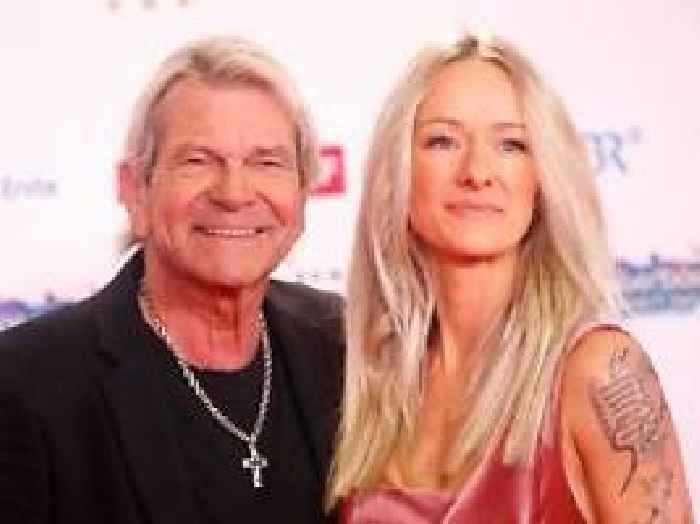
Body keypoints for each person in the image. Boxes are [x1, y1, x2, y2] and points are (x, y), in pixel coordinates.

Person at [327, 32, 693, 522]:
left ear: (542, 179)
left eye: (512, 145)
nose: (477, 172)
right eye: (443, 141)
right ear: (398, 172)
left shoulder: (597, 370)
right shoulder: (372, 379)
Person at [0, 36, 343, 523]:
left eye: (267, 162)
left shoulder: (348, 347)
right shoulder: (26, 385)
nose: (234, 193)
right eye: (197, 161)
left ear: (303, 193)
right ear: (135, 191)